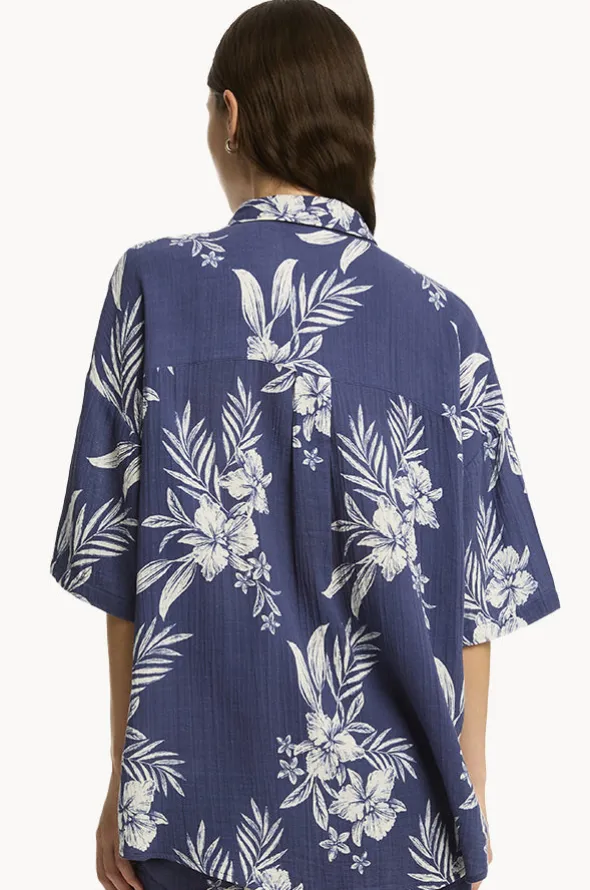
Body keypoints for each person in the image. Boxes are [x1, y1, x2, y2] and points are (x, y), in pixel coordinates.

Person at [49, 2, 561, 889]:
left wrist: (127, 784)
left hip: (200, 828)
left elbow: (119, 564)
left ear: (231, 114)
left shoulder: (154, 288)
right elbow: (483, 598)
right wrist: (468, 803)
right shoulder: (447, 327)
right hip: (403, 829)